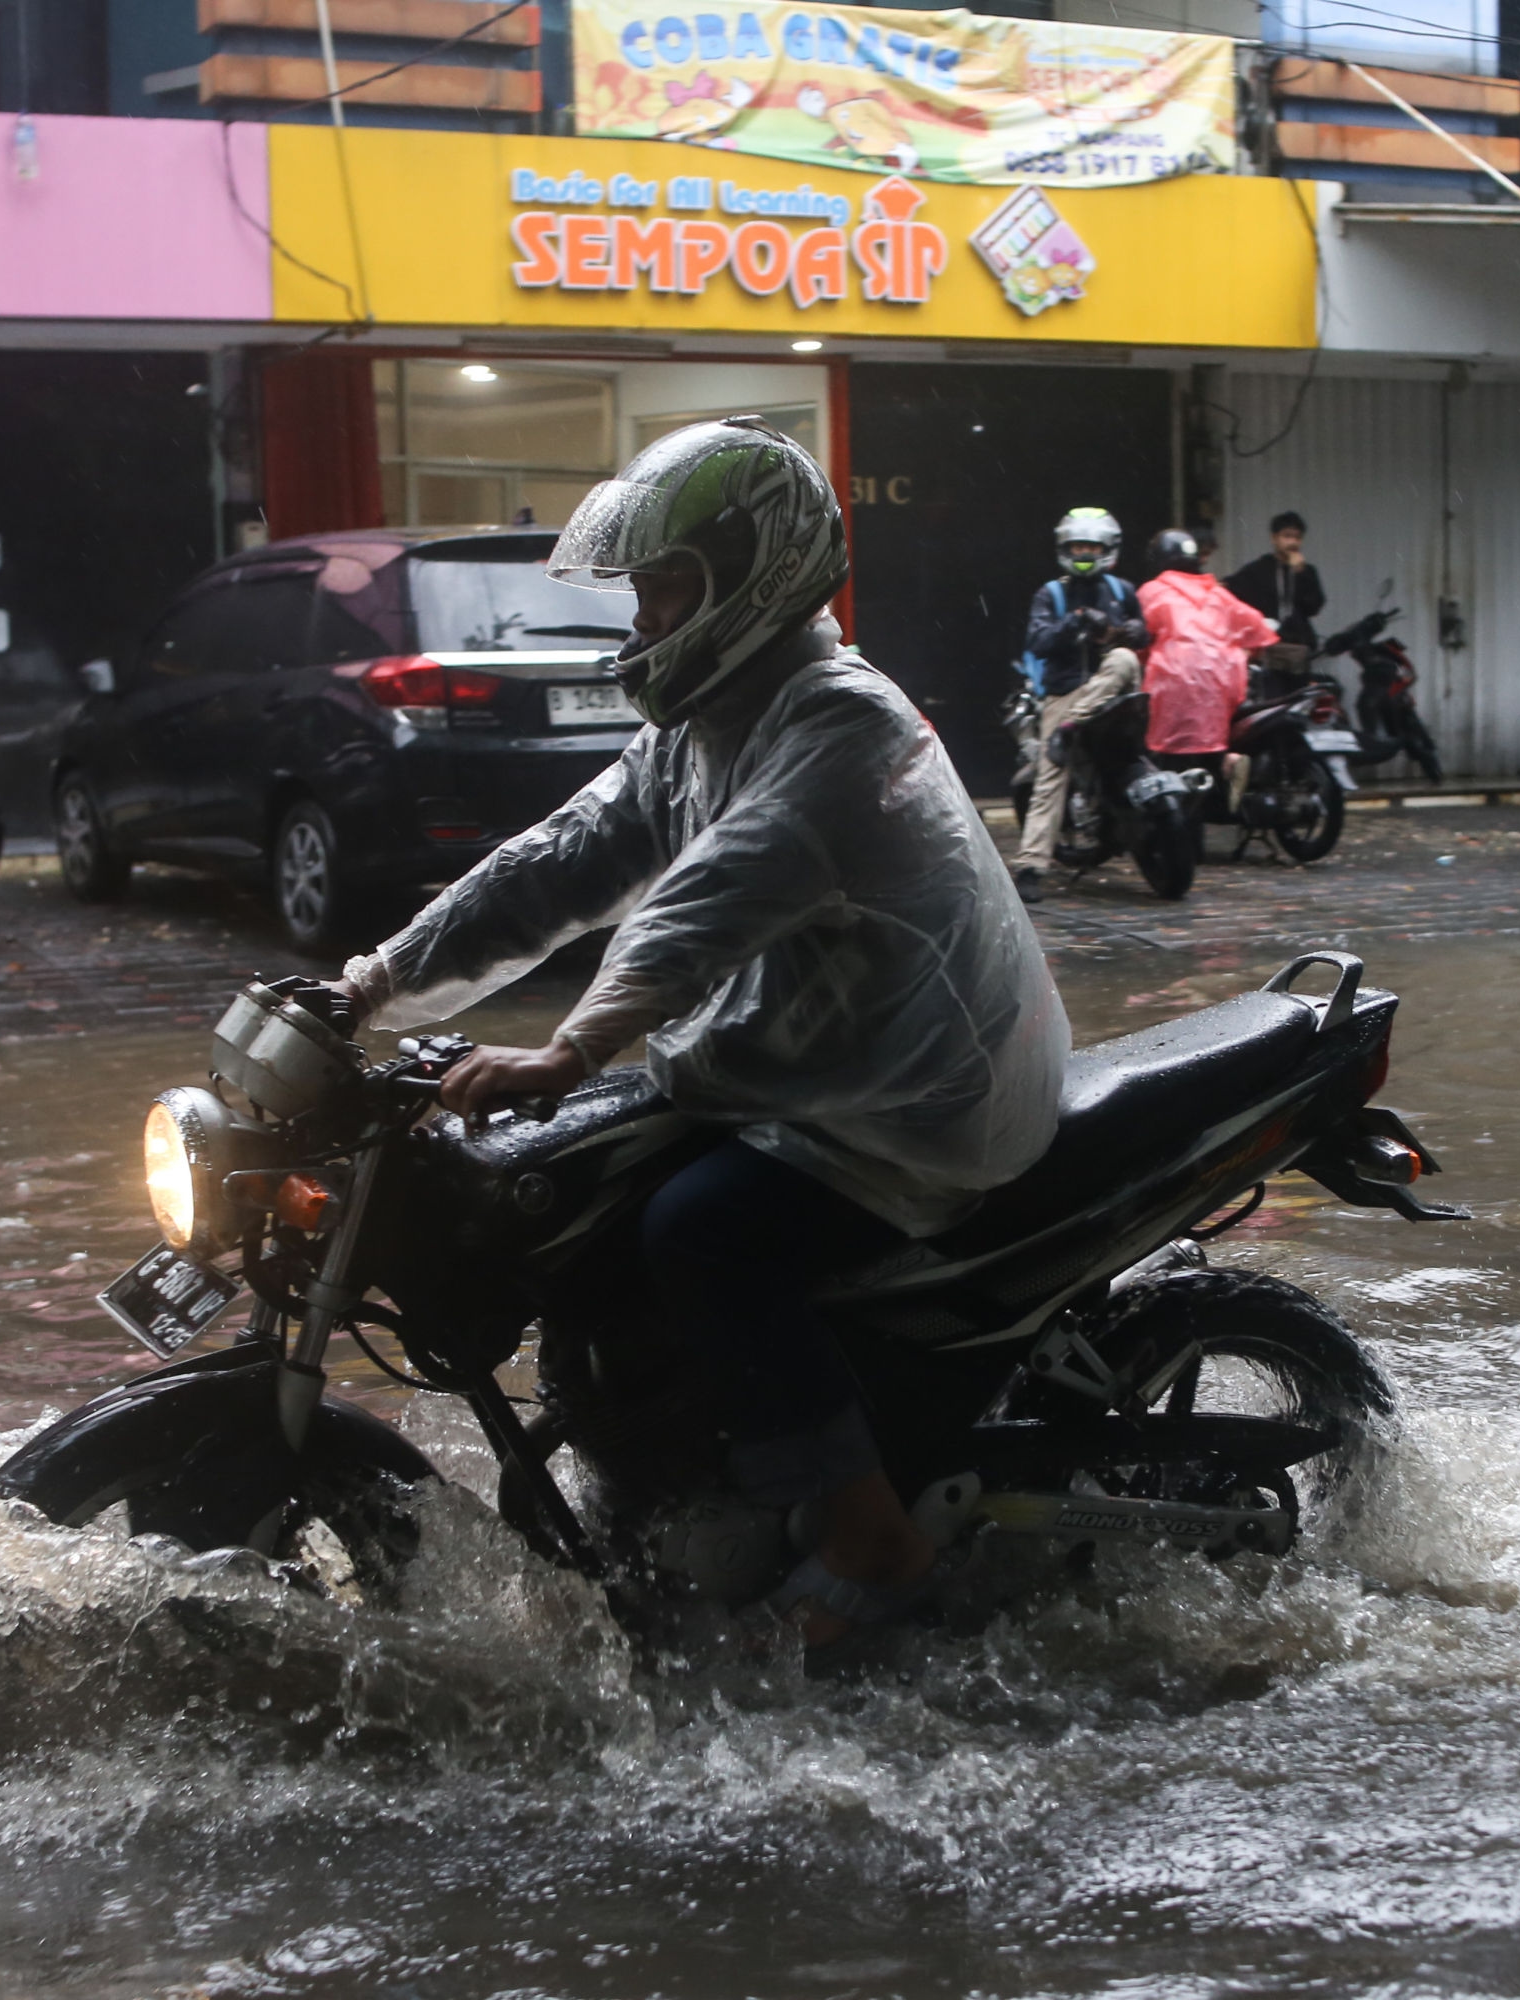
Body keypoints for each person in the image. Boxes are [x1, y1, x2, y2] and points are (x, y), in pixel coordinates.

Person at [326, 418, 1068, 1647]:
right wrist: (371, 982)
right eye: (643, 589)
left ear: (751, 580)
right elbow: (561, 860)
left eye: (664, 587)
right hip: (808, 1067)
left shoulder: (838, 723)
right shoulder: (704, 723)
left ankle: (867, 1537)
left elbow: (705, 900)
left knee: (702, 1230)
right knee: (578, 1199)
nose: (643, 619)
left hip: (919, 1105)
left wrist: (569, 1049)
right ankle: (664, 1469)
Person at [1011, 506, 1148, 904]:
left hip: (1112, 692)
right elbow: (1038, 641)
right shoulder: (1050, 594)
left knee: (1125, 659)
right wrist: (1077, 621)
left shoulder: (1123, 591)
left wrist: (1134, 629)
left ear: (1108, 549)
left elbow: (1142, 636)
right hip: (1067, 691)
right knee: (1050, 777)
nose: (1085, 553)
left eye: (1092, 546)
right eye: (1077, 546)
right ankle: (1031, 866)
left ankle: (1072, 729)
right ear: (1064, 549)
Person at [1137, 527, 1279, 814]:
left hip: (1173, 678)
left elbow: (1138, 639)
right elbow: (1261, 632)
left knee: (1166, 748)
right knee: (1210, 738)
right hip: (1223, 680)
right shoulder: (1217, 592)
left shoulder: (1151, 591)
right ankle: (1228, 763)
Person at [1225, 510, 1328, 659]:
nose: (1292, 542)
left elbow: (1314, 607)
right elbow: (1230, 590)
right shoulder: (1259, 569)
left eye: (1297, 537)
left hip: (1298, 643)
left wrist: (1301, 573)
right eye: (1287, 536)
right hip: (1266, 644)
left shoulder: (1307, 571)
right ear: (1274, 538)